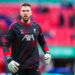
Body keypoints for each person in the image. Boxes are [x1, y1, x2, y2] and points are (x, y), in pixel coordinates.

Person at [3, 3, 51, 75]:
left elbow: (43, 42)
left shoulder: (37, 26)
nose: (25, 13)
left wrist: (47, 52)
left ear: (31, 12)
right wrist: (9, 60)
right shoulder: (14, 27)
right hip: (18, 67)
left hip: (34, 68)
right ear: (20, 12)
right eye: (23, 11)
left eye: (27, 11)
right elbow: (5, 45)